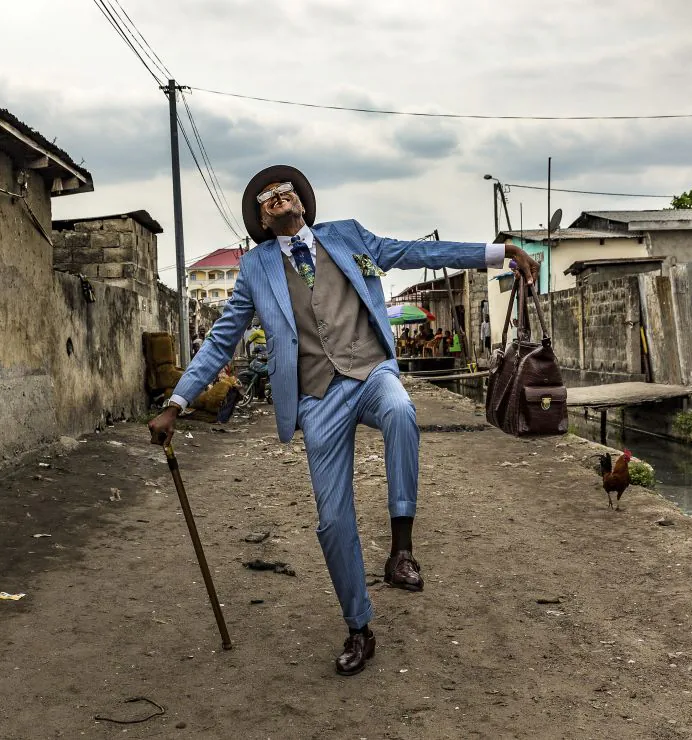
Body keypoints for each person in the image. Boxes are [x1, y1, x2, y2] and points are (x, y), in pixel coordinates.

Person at [148, 165, 538, 677]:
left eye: (284, 192)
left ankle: (401, 551)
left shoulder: (348, 237)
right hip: (316, 398)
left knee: (401, 410)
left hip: (369, 370)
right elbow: (221, 340)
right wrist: (177, 402)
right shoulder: (256, 269)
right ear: (262, 223)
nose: (276, 199)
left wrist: (499, 252)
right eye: (266, 198)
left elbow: (417, 252)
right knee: (333, 523)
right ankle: (360, 628)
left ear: (303, 204)